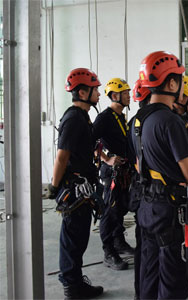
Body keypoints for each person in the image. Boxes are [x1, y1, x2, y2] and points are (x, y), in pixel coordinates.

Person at [131, 51, 188, 299]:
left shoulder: (139, 120)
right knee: (173, 278)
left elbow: (137, 163)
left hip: (146, 207)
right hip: (168, 211)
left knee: (149, 272)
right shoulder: (170, 121)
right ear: (171, 83)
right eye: (179, 80)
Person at [46, 68, 104, 299]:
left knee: (79, 237)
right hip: (74, 187)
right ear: (82, 91)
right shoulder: (73, 118)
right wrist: (53, 185)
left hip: (83, 186)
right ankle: (71, 285)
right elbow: (63, 155)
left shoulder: (83, 117)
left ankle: (75, 281)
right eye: (95, 90)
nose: (98, 93)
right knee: (72, 237)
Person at [92, 78, 135, 271]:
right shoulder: (105, 117)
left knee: (121, 208)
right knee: (110, 212)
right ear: (115, 95)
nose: (129, 95)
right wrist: (106, 159)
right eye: (125, 93)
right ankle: (109, 251)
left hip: (124, 172)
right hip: (112, 173)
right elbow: (91, 143)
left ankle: (118, 241)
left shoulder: (121, 117)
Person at [128, 78, 151, 299]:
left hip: (141, 189)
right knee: (148, 250)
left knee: (142, 248)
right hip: (151, 195)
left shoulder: (134, 122)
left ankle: (140, 293)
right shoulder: (156, 120)